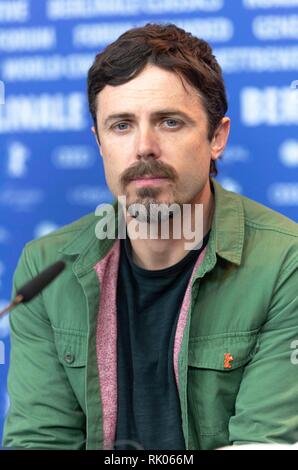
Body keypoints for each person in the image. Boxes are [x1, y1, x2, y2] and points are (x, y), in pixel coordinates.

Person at [2, 23, 298, 450]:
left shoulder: (285, 262)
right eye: (121, 125)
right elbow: (39, 441)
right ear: (100, 143)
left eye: (169, 122)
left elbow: (264, 445)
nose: (144, 146)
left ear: (217, 137)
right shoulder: (46, 267)